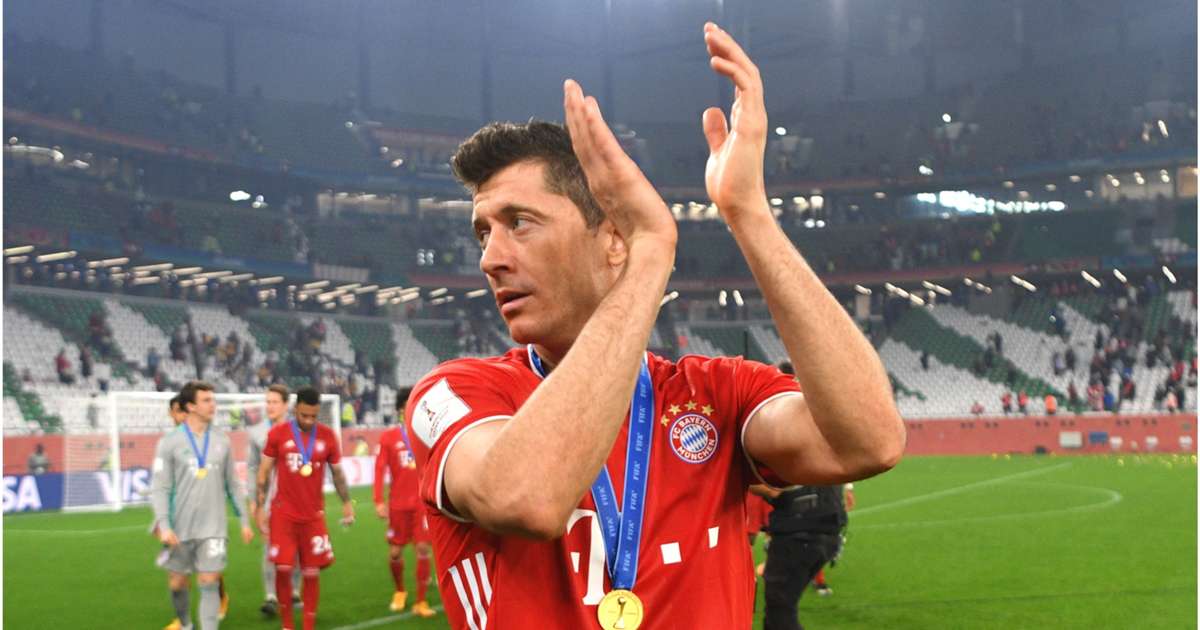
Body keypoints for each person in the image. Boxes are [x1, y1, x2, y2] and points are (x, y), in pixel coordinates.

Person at [405, 23, 903, 629]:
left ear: (610, 239)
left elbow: (871, 442)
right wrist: (651, 252)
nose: (490, 258)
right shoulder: (456, 393)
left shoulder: (716, 395)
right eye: (484, 232)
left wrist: (748, 213)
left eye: (520, 223)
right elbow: (526, 497)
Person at [150, 383, 254, 630]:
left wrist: (244, 521)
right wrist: (164, 525)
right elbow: (160, 488)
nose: (212, 405)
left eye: (213, 399)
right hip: (179, 528)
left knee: (209, 581)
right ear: (191, 406)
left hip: (213, 527)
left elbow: (233, 484)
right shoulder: (169, 443)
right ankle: (186, 624)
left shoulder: (222, 440)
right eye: (206, 400)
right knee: (177, 583)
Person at [255, 386, 356, 630]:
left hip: (313, 516)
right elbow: (264, 473)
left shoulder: (327, 436)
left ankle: (308, 624)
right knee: (283, 569)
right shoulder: (278, 434)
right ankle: (287, 625)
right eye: (304, 415)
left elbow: (338, 474)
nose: (309, 420)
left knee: (312, 572)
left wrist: (346, 503)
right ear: (295, 410)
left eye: (313, 416)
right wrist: (259, 507)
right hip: (283, 515)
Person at [374, 390, 437, 618]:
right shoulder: (389, 437)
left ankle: (421, 601)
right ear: (401, 409)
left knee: (423, 548)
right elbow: (379, 468)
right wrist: (378, 500)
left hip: (422, 503)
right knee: (395, 552)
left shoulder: (428, 434)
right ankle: (400, 591)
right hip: (398, 504)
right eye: (408, 405)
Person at [757, 483, 852, 629]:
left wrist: (738, 479)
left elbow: (772, 490)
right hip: (828, 527)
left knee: (780, 610)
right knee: (777, 609)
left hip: (799, 531)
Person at [246, 384, 301, 618]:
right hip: (268, 497)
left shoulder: (299, 430)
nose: (270, 406)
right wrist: (253, 500)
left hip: (296, 497)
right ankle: (271, 596)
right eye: (267, 402)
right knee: (270, 546)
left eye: (274, 402)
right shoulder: (256, 432)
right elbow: (252, 468)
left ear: (286, 405)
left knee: (296, 546)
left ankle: (294, 591)